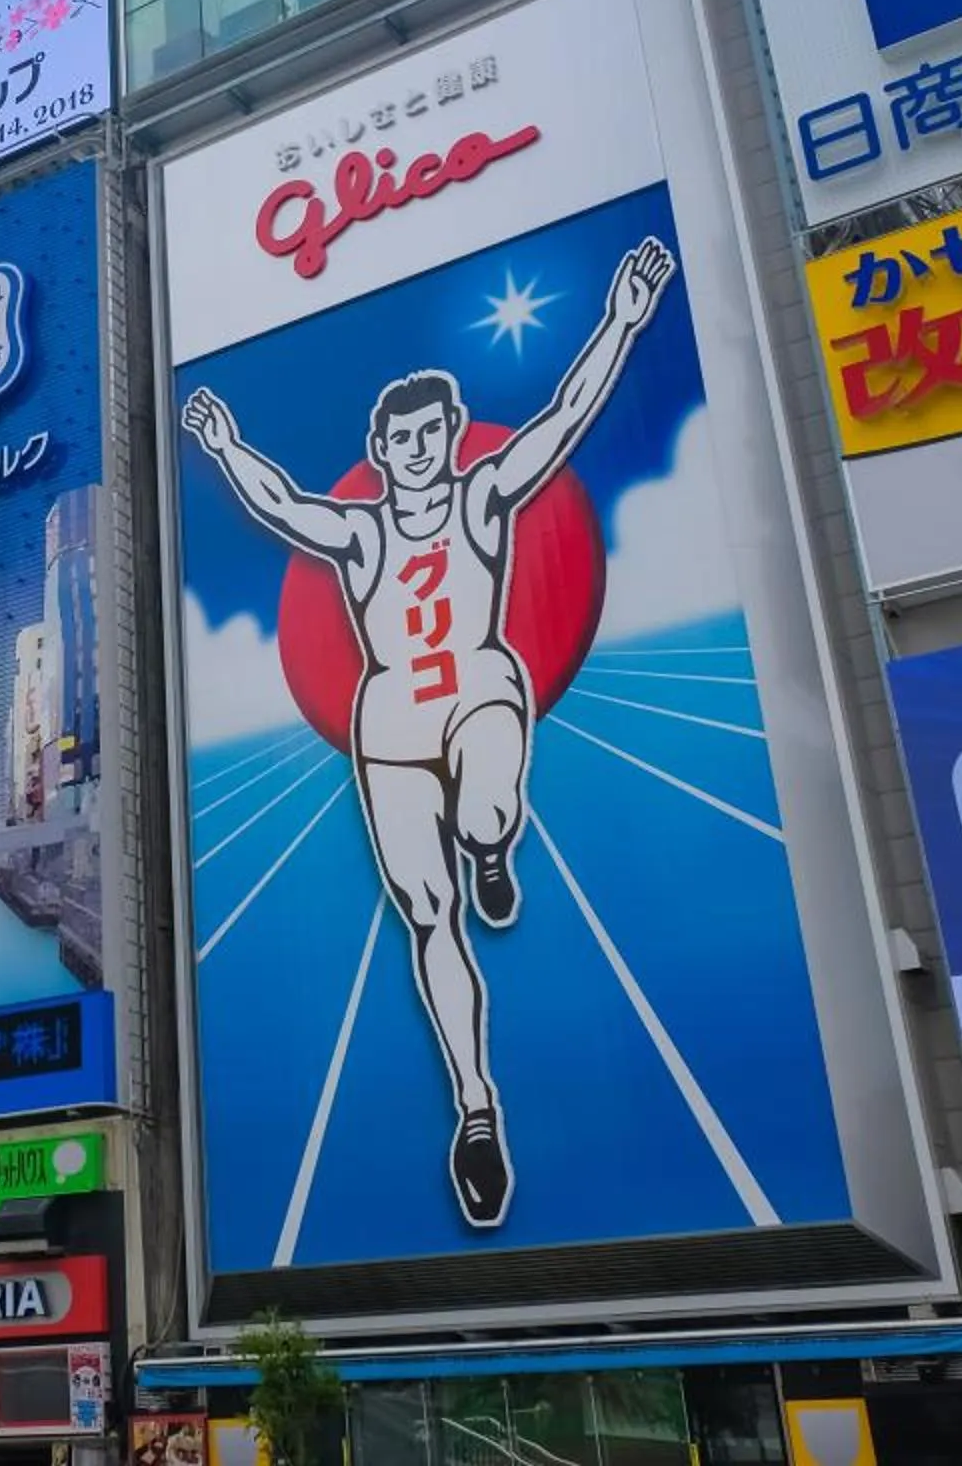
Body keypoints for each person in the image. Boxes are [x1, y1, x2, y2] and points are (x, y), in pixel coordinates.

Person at [180, 235, 674, 1228]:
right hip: (392, 722)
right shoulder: (362, 534)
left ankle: (494, 840)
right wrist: (226, 446)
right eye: (402, 436)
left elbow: (565, 417)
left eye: (433, 429)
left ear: (451, 434)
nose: (420, 446)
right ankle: (477, 1107)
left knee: (489, 803)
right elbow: (283, 505)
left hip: (482, 687)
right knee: (426, 910)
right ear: (382, 450)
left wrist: (621, 317)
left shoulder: (486, 496)